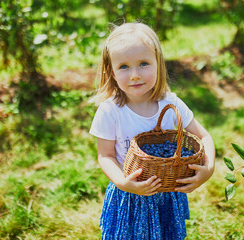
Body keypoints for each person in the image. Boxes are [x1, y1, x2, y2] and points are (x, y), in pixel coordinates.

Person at [89, 22, 215, 240]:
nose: (135, 75)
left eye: (144, 63)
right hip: (130, 195)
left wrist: (209, 168)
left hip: (166, 196)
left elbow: (204, 137)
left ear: (158, 64)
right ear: (112, 72)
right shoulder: (110, 111)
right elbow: (106, 156)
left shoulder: (170, 103)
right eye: (124, 67)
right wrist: (123, 183)